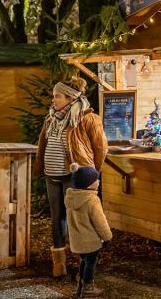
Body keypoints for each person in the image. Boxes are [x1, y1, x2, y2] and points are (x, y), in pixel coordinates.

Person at [34, 76, 108, 277]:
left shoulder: (88, 118)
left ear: (70, 98)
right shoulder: (51, 118)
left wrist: (93, 174)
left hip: (74, 176)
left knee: (78, 219)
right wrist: (40, 165)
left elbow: (100, 148)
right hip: (52, 174)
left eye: (57, 96)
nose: (53, 100)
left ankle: (83, 264)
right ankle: (59, 263)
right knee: (57, 218)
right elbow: (43, 143)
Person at [65, 163, 112, 298]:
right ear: (89, 184)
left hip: (77, 241)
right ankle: (88, 287)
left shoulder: (71, 197)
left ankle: (79, 285)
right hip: (90, 241)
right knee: (91, 263)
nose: (98, 181)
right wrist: (107, 237)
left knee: (83, 261)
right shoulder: (91, 200)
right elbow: (100, 221)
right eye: (96, 180)